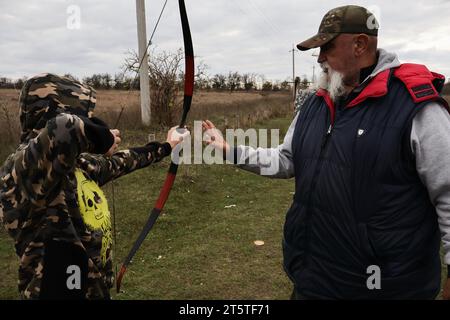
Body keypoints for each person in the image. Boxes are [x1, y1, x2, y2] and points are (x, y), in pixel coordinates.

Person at [202, 5, 450, 299]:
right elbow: (286, 160)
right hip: (314, 278)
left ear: (360, 44)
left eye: (327, 48)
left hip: (385, 287)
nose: (320, 59)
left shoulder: (416, 108)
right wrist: (230, 150)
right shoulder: (316, 103)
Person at [0, 73, 189, 299]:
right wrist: (103, 139)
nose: (89, 117)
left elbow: (120, 162)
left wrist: (166, 146)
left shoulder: (77, 164)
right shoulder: (23, 169)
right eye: (84, 113)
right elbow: (65, 129)